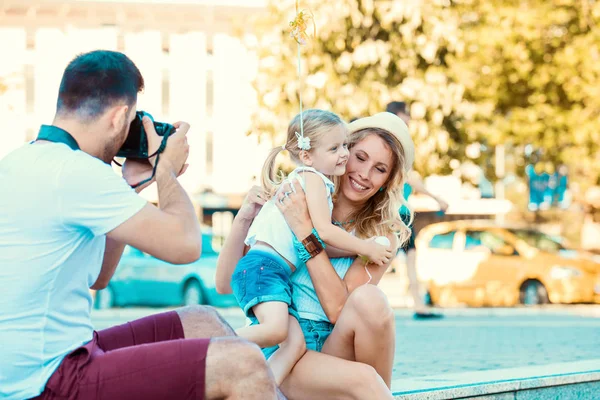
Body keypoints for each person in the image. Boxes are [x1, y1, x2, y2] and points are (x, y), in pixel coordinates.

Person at [0, 50, 280, 400]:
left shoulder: (21, 161)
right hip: (47, 382)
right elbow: (186, 247)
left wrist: (129, 186)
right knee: (243, 363)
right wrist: (166, 173)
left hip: (55, 359)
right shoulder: (77, 172)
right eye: (133, 120)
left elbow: (99, 278)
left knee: (202, 321)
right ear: (119, 117)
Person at [217, 111, 414, 399]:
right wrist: (243, 218)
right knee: (365, 381)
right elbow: (225, 285)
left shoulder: (381, 235)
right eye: (360, 158)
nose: (364, 174)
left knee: (372, 301)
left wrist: (306, 233)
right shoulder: (298, 195)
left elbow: (337, 309)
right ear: (343, 152)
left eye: (380, 169)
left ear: (387, 180)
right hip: (284, 349)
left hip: (333, 346)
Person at [386, 101, 449, 319]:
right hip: (393, 212)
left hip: (402, 211)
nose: (410, 120)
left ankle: (419, 305)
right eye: (406, 115)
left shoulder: (397, 141)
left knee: (409, 256)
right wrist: (436, 198)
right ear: (397, 116)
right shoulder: (393, 142)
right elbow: (409, 178)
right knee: (381, 257)